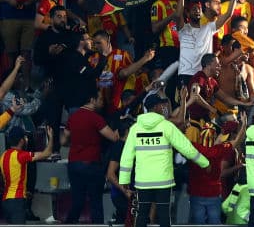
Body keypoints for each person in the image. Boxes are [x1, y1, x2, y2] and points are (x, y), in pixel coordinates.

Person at [119, 92, 211, 227]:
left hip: (143, 181)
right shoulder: (166, 126)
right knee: (163, 216)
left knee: (142, 214)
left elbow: (126, 156)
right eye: (161, 105)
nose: (163, 107)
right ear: (155, 107)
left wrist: (124, 180)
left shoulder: (135, 129)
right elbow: (186, 148)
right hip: (163, 181)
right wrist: (205, 163)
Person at [65, 89, 119, 224]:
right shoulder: (95, 118)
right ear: (92, 99)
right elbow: (113, 137)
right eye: (100, 99)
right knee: (95, 201)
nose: (102, 102)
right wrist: (119, 130)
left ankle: (69, 224)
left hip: (74, 164)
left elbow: (63, 140)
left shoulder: (73, 117)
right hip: (91, 164)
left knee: (77, 201)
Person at [189, 113, 247, 223]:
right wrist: (244, 124)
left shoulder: (193, 148)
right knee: (215, 222)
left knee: (199, 222)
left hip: (197, 194)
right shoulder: (219, 150)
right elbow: (236, 141)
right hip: (215, 195)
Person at [175, 0, 237, 84]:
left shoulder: (208, 28)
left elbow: (228, 15)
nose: (197, 11)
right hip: (186, 74)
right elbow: (178, 14)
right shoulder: (183, 29)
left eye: (199, 9)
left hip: (203, 75)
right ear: (187, 13)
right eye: (193, 9)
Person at [0, 125, 54, 223]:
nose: (26, 140)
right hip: (17, 201)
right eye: (25, 137)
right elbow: (47, 153)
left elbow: (12, 177)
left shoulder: (3, 156)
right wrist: (51, 138)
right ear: (21, 141)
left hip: (6, 201)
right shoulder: (21, 155)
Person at [93, 30, 153, 113]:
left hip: (119, 102)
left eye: (99, 43)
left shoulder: (122, 54)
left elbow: (133, 70)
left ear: (108, 40)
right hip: (100, 104)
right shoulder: (93, 59)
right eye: (94, 43)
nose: (96, 46)